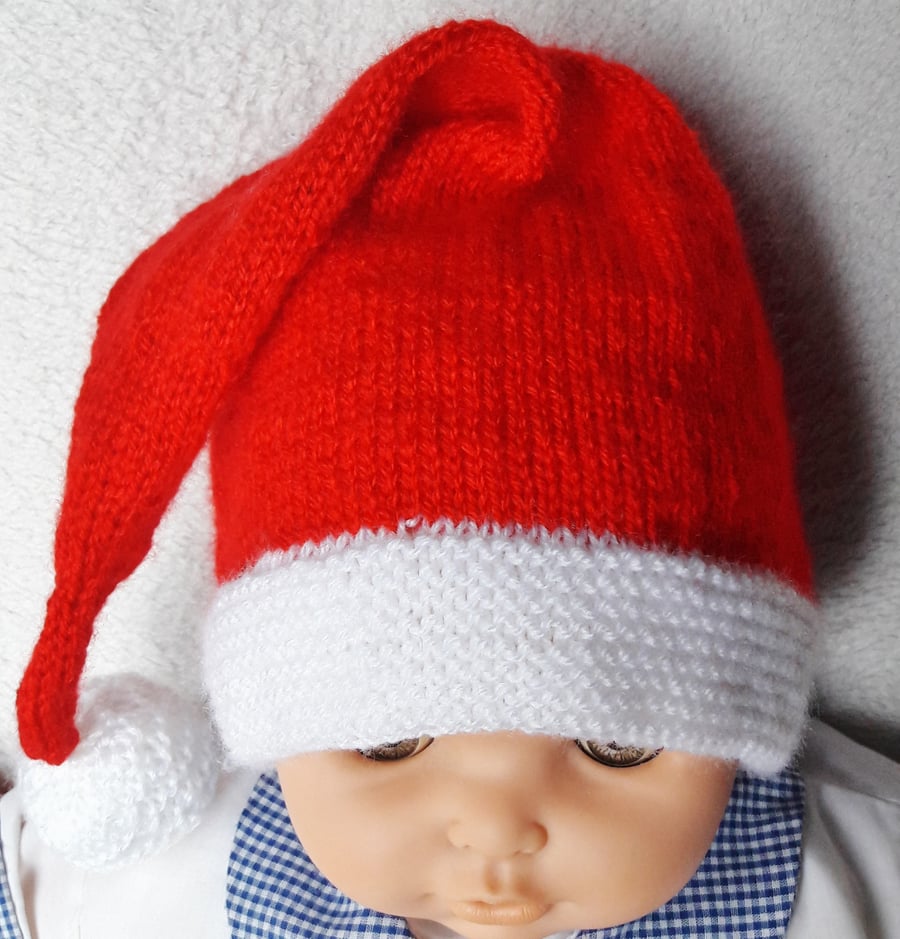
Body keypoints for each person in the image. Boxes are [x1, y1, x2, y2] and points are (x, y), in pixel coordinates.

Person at [1, 18, 898, 939]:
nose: (496, 829)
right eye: (389, 741)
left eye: (615, 745)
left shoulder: (858, 882)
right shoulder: (160, 884)